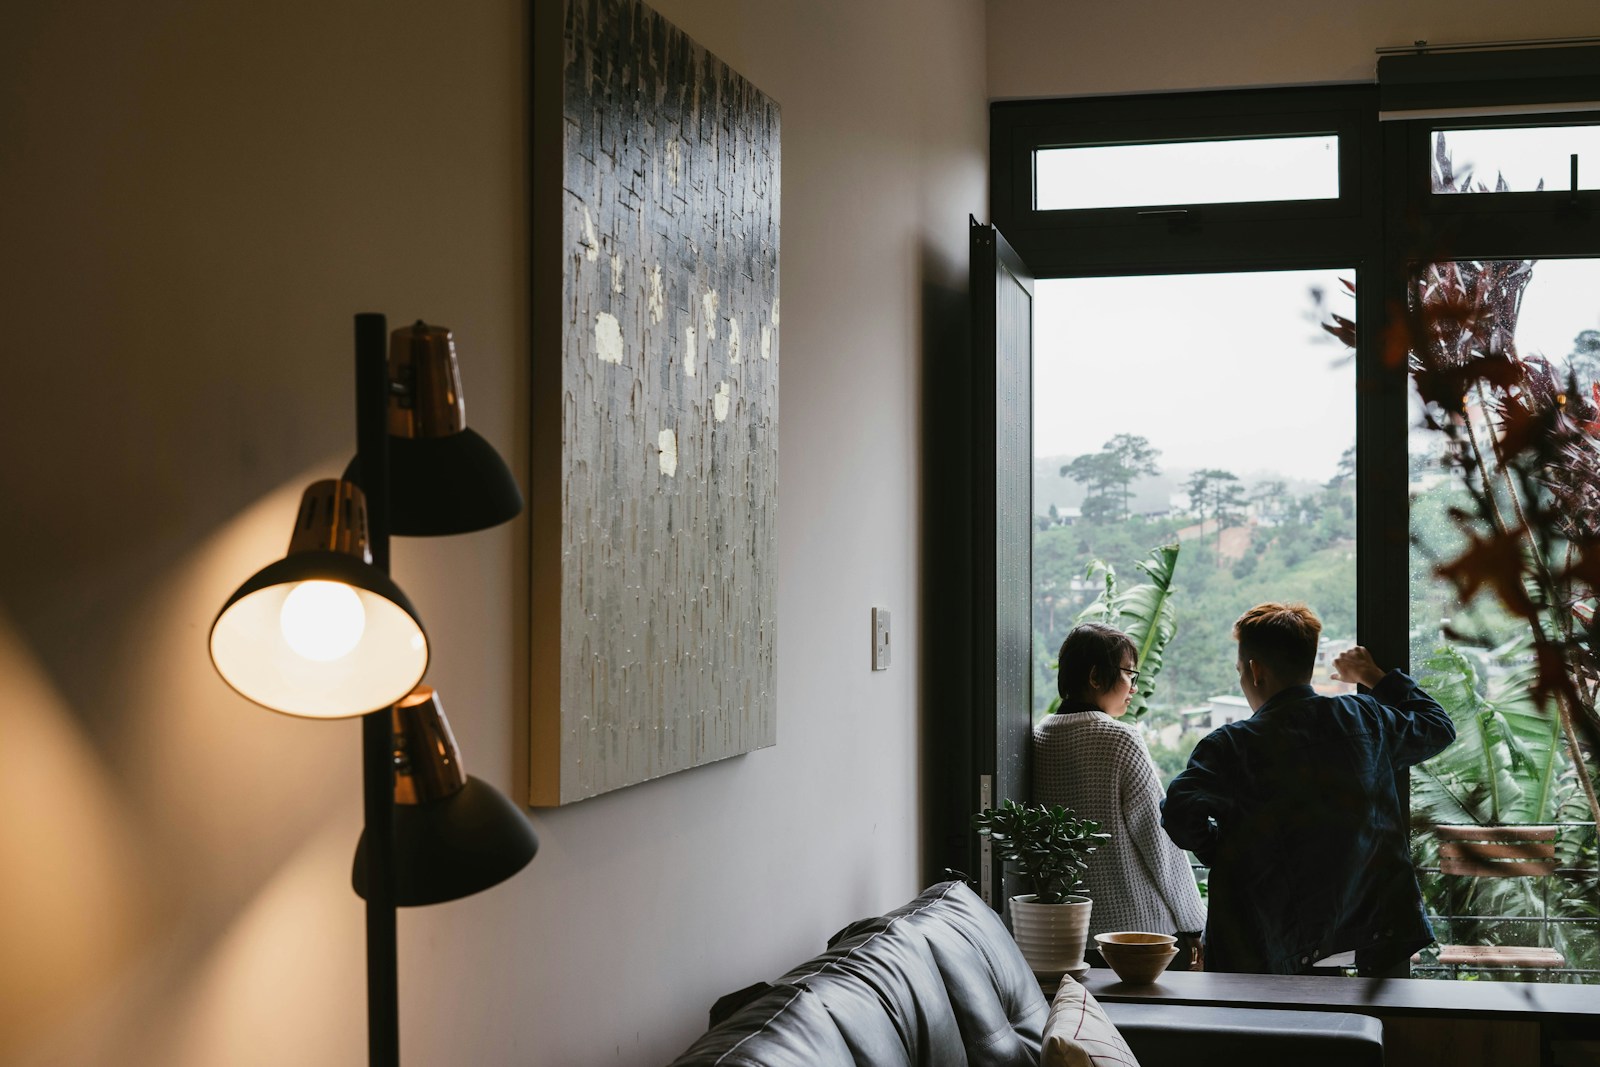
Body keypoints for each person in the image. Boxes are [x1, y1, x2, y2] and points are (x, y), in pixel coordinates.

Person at [1161, 602, 1456, 976]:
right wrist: (1375, 676)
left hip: (1272, 938)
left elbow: (1178, 811)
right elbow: (1437, 726)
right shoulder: (1365, 718)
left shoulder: (1232, 746)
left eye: (1240, 670)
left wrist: (1222, 849)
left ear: (1254, 671)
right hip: (1366, 932)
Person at [1033, 622, 1207, 964]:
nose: (1133, 687)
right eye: (1129, 673)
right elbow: (1159, 840)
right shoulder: (1120, 739)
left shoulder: (1039, 738)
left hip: (1064, 934)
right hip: (1139, 933)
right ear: (1096, 677)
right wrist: (1193, 923)